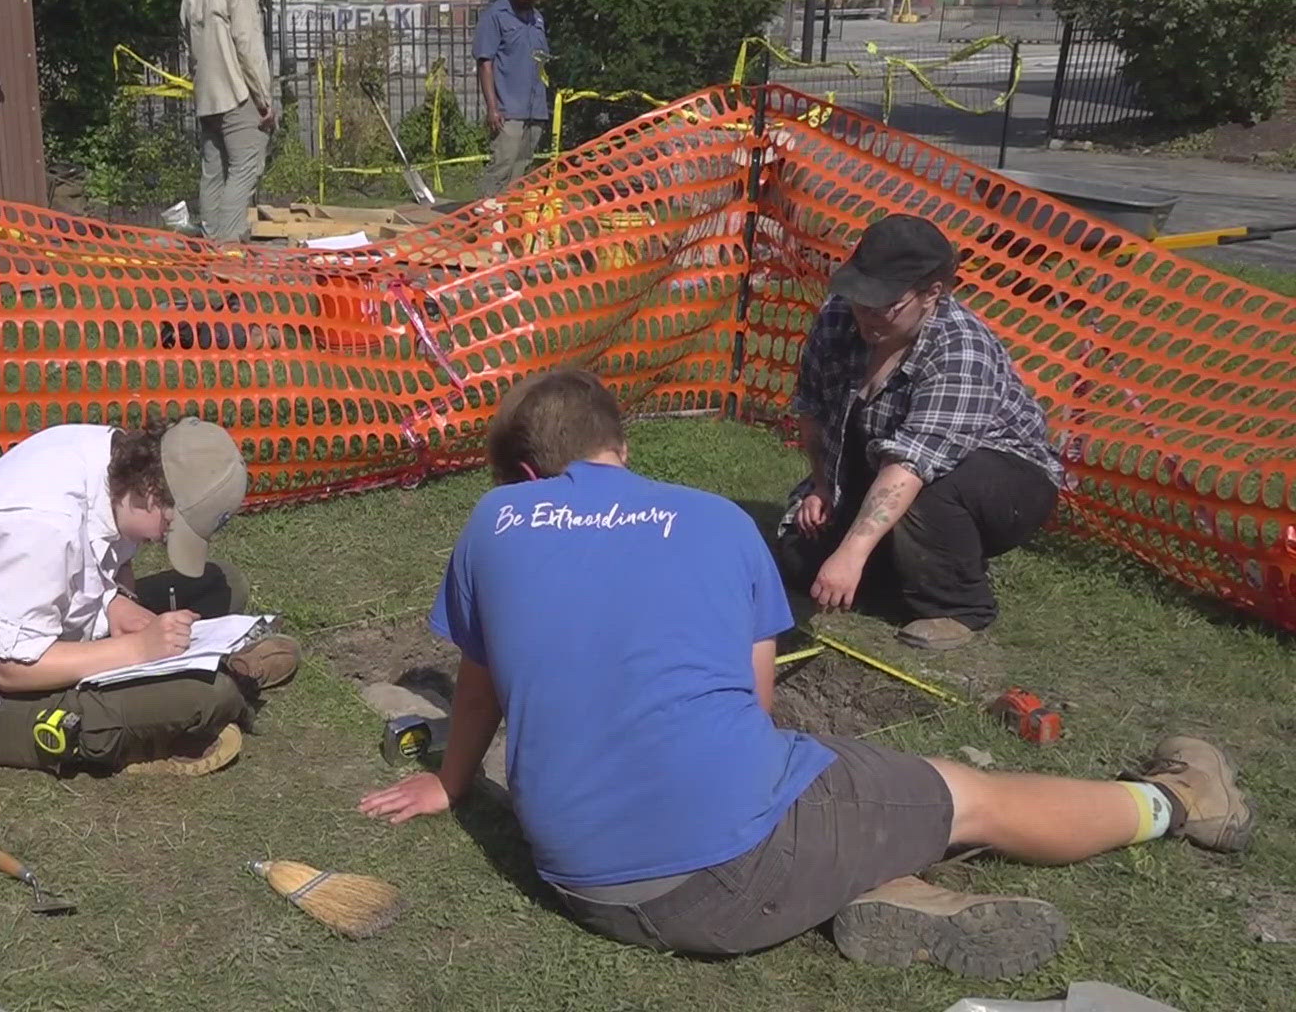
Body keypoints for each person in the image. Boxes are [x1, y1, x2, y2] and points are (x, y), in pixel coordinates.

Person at [359, 368, 1250, 979]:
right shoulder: (715, 520)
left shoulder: (494, 521)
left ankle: (882, 883)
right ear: (619, 447)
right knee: (960, 793)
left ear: (523, 473)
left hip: (577, 880)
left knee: (821, 813)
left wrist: (451, 781)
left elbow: (477, 684)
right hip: (713, 883)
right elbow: (757, 705)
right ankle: (1181, 802)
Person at [0, 417, 299, 776]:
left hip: (64, 624)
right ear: (151, 494)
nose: (159, 541)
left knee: (224, 583)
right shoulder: (41, 526)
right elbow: (10, 669)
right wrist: (138, 650)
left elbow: (105, 563)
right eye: (168, 530)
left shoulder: (115, 460)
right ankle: (210, 686)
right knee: (212, 697)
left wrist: (116, 604)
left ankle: (193, 670)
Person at [777, 214, 1066, 652]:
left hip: (999, 475)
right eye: (860, 299)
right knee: (800, 559)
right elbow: (813, 407)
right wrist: (821, 487)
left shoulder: (960, 350)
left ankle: (959, 605)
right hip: (885, 459)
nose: (866, 315)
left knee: (928, 493)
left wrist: (852, 554)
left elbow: (911, 464)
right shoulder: (838, 318)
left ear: (932, 294)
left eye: (884, 305)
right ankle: (902, 571)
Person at [181, 0, 274, 244]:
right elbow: (247, 41)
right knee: (246, 167)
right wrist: (263, 97)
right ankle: (228, 250)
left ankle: (210, 246)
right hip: (238, 91)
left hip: (207, 92)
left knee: (213, 172)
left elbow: (185, 30)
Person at [473, 0, 550, 199]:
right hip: (508, 111)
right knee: (502, 167)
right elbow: (485, 63)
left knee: (523, 169)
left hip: (535, 109)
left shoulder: (537, 18)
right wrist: (492, 107)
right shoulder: (495, 17)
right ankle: (484, 223)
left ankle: (510, 224)